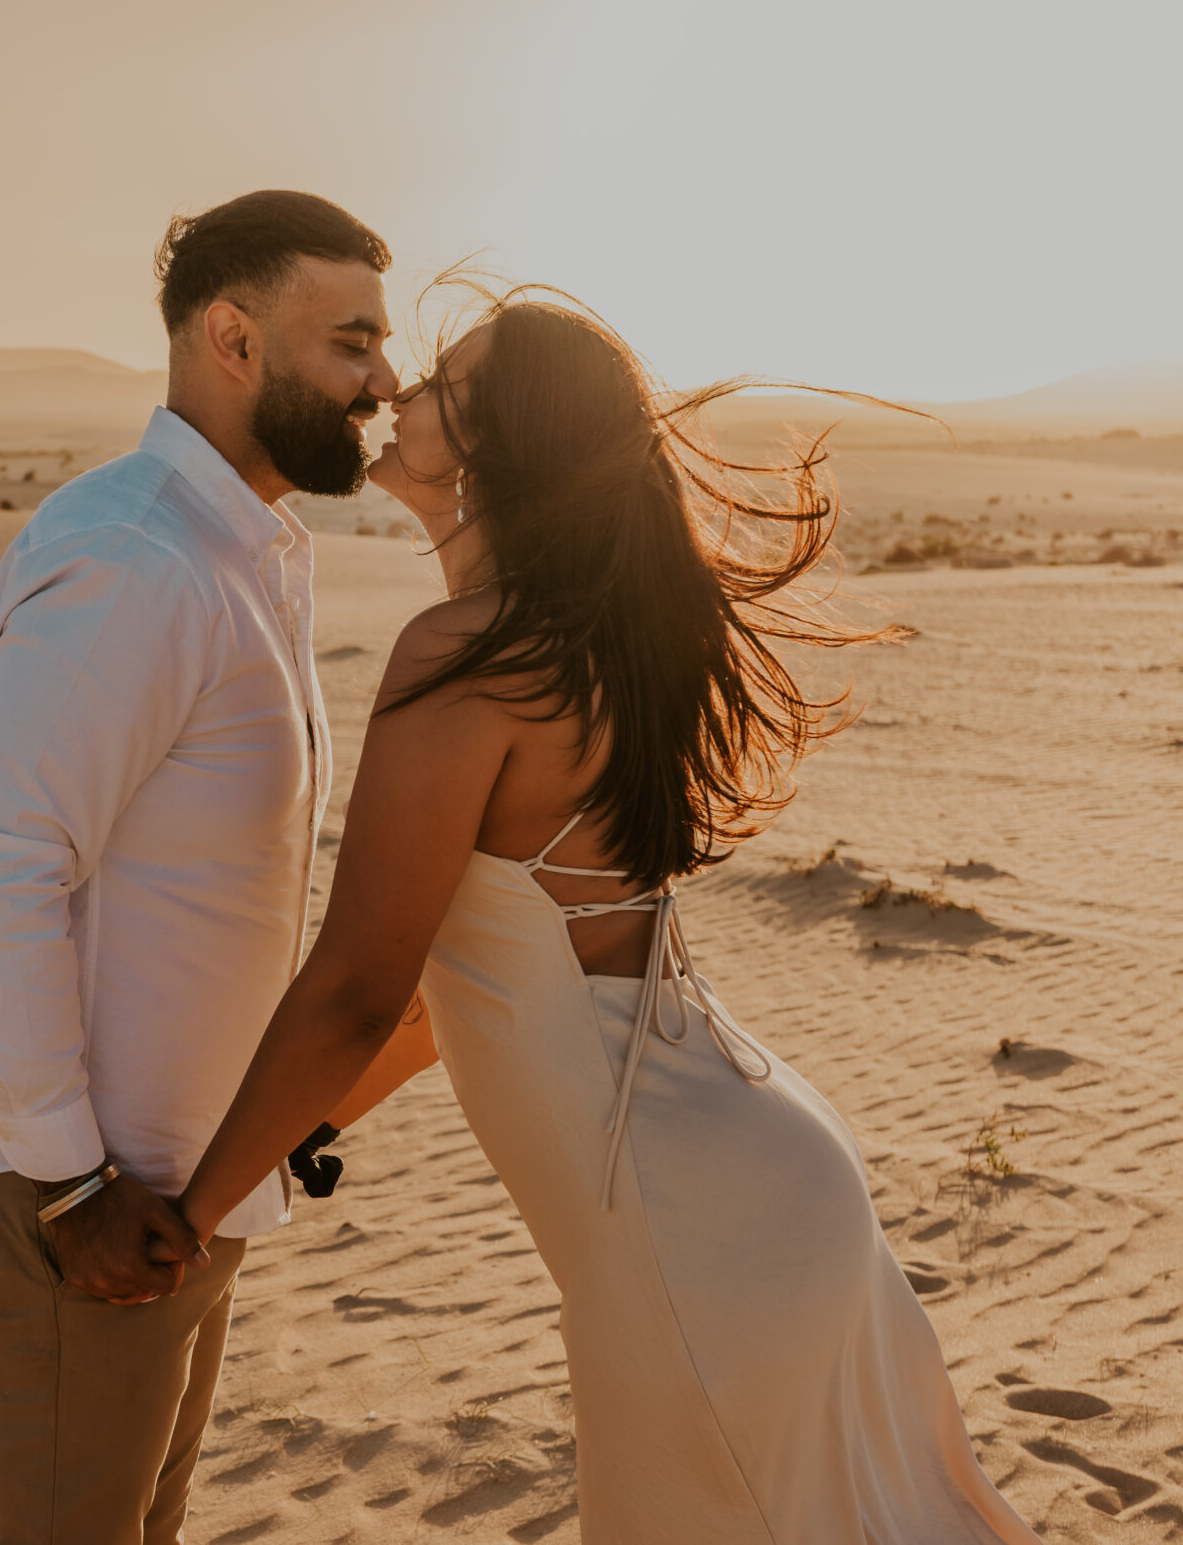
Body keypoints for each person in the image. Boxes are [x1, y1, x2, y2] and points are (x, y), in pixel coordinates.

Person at [176, 291, 1045, 1543]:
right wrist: (286, 1138)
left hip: (688, 1231)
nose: (398, 397)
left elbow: (358, 984)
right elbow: (450, 999)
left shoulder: (463, 655)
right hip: (770, 1176)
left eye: (440, 387)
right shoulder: (592, 646)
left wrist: (185, 1213)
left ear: (494, 448)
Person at [0, 190, 400, 1545]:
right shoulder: (137, 559)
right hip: (78, 1208)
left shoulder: (241, 554)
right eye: (350, 342)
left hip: (172, 1197)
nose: (385, 381)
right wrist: (69, 1185)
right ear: (232, 339)